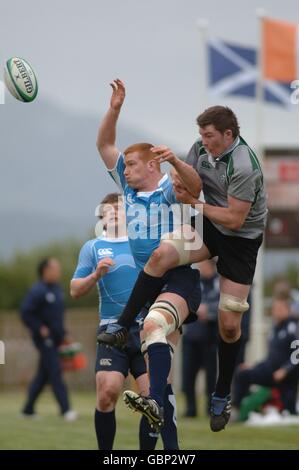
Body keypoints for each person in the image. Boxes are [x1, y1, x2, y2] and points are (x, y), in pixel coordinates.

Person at [100, 104, 267, 433]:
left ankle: (221, 393)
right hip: (208, 225)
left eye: (210, 136)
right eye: (201, 135)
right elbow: (190, 185)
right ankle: (120, 327)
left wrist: (195, 204)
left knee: (230, 323)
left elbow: (234, 218)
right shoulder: (200, 150)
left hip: (240, 239)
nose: (204, 141)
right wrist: (177, 162)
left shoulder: (245, 165)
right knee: (161, 255)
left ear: (228, 135)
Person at [96, 79, 202, 436]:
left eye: (131, 164)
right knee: (159, 384)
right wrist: (114, 109)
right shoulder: (128, 189)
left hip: (176, 281)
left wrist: (176, 160)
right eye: (124, 166)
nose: (124, 170)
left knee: (158, 370)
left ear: (153, 165)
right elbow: (104, 143)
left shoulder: (169, 187)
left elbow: (196, 185)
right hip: (148, 286)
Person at [71, 192, 159, 450]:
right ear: (102, 218)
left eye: (119, 209)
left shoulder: (144, 243)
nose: (114, 213)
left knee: (152, 400)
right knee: (108, 391)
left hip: (146, 328)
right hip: (112, 329)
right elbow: (75, 289)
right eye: (108, 211)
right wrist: (96, 274)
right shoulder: (93, 247)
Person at [21, 258, 77, 421]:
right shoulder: (37, 290)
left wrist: (64, 334)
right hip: (45, 340)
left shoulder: (57, 290)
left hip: (56, 338)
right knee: (55, 372)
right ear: (45, 270)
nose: (58, 271)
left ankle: (27, 409)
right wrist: (39, 328)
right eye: (55, 268)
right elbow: (25, 313)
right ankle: (66, 410)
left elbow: (56, 318)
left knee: (43, 375)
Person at [233, 296, 299, 415]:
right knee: (242, 374)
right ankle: (236, 410)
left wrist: (285, 370)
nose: (277, 311)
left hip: (287, 376)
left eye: (280, 308)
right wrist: (253, 366)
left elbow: (297, 354)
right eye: (275, 308)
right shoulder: (274, 329)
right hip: (271, 371)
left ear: (288, 310)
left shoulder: (293, 328)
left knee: (289, 412)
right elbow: (271, 358)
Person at [182, 260, 219, 417]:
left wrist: (209, 311)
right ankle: (191, 410)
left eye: (204, 265)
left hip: (210, 337)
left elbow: (223, 305)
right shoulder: (194, 282)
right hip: (191, 337)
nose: (201, 268)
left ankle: (210, 409)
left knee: (211, 377)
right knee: (188, 376)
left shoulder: (219, 283)